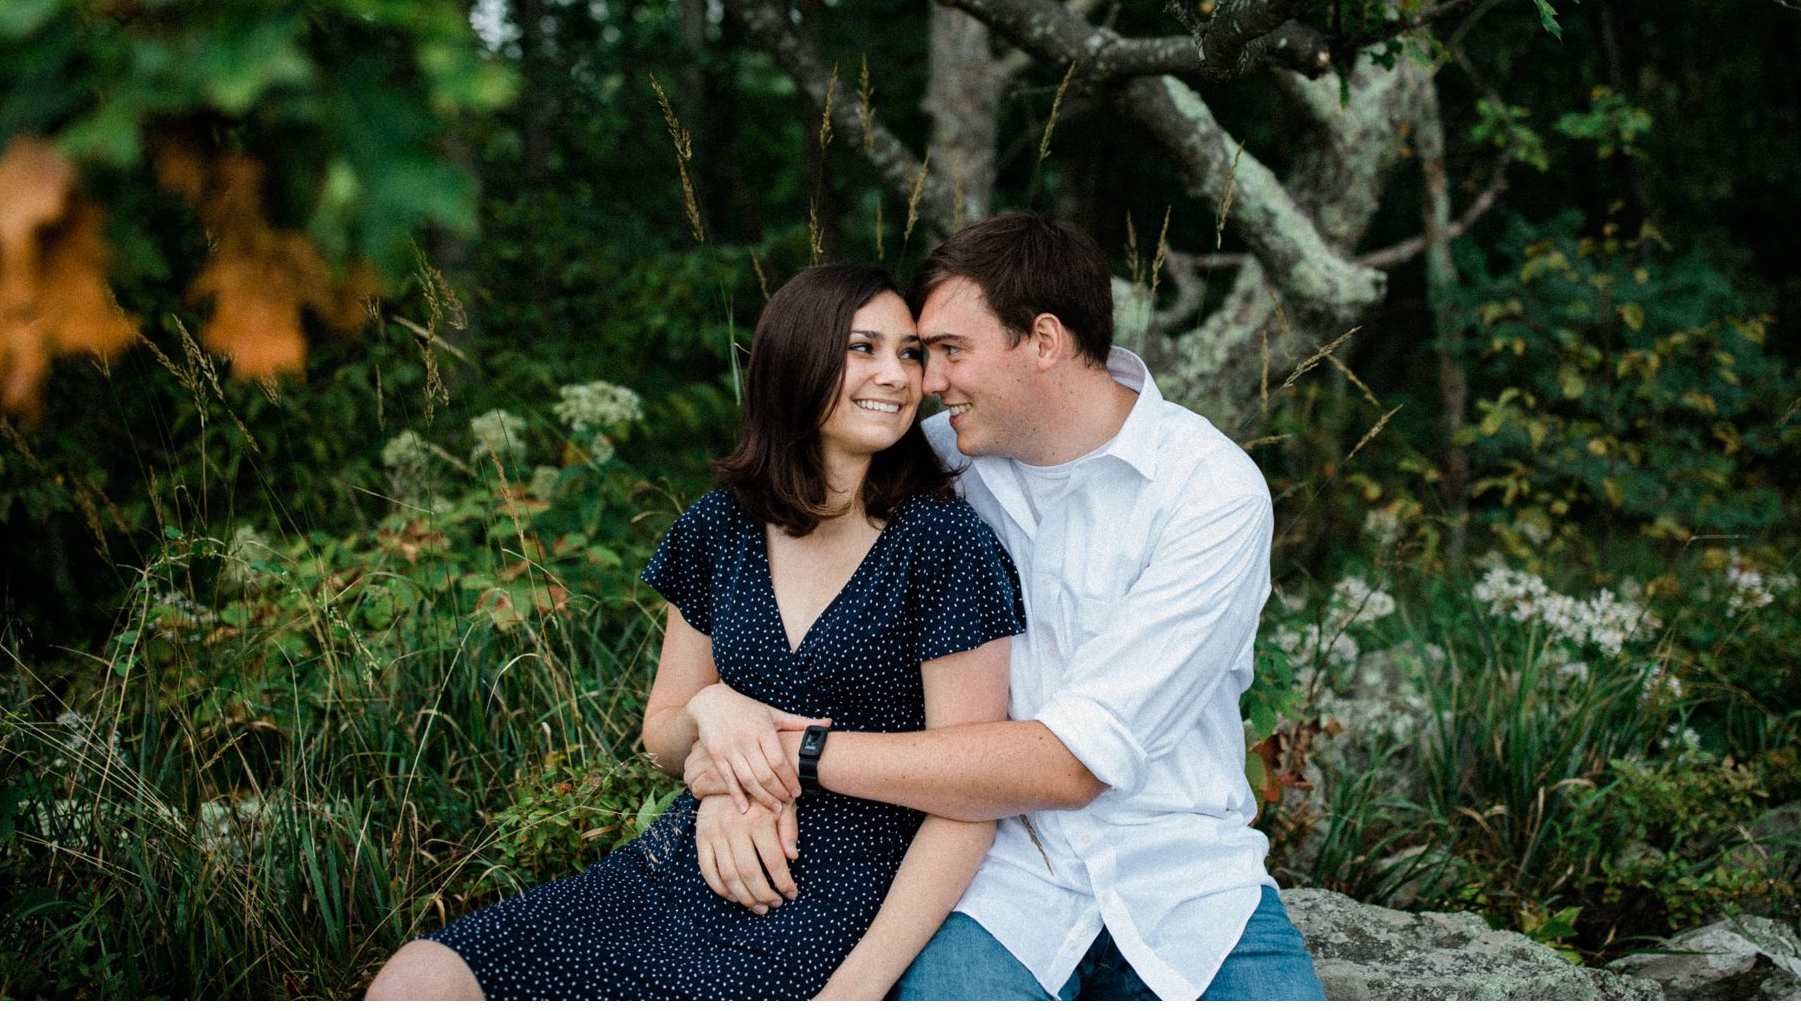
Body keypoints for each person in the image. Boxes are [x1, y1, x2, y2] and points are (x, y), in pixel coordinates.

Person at [680, 212, 1325, 1000]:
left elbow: (1072, 763)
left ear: (1044, 342)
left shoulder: (1207, 492)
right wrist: (721, 749)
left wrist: (780, 760)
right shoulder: (931, 468)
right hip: (995, 878)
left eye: (949, 352)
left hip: (1183, 882)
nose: (928, 382)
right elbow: (799, 626)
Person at [364, 264, 1025, 1000]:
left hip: (831, 902)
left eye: (909, 353)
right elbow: (662, 735)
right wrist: (713, 712)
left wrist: (853, 992)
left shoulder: (943, 544)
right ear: (794, 360)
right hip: (674, 866)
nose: (898, 377)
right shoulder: (720, 526)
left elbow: (970, 800)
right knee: (422, 975)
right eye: (863, 348)